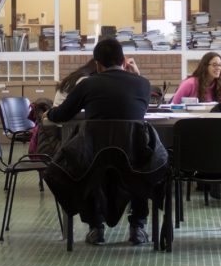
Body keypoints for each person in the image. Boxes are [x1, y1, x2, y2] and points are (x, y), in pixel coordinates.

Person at [47, 38, 151, 246]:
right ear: (123, 60)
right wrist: (136, 76)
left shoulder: (88, 84)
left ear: (97, 64)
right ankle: (138, 227)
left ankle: (96, 227)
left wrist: (47, 111)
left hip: (95, 158)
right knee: (143, 168)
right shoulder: (143, 84)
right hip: (133, 159)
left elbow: (61, 115)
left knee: (84, 169)